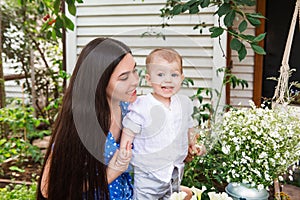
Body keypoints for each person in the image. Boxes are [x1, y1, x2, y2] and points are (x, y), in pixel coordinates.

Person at [36, 38, 139, 200]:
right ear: (99, 82)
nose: (135, 81)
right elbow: (49, 188)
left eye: (134, 70)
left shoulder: (130, 110)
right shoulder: (83, 125)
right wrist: (110, 174)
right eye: (124, 77)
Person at [120, 48, 204, 199]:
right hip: (148, 176)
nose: (168, 80)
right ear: (149, 79)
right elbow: (130, 128)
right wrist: (125, 147)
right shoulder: (142, 104)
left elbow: (188, 126)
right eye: (160, 75)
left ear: (181, 78)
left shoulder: (183, 104)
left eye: (174, 75)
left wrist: (192, 143)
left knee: (173, 197)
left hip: (174, 172)